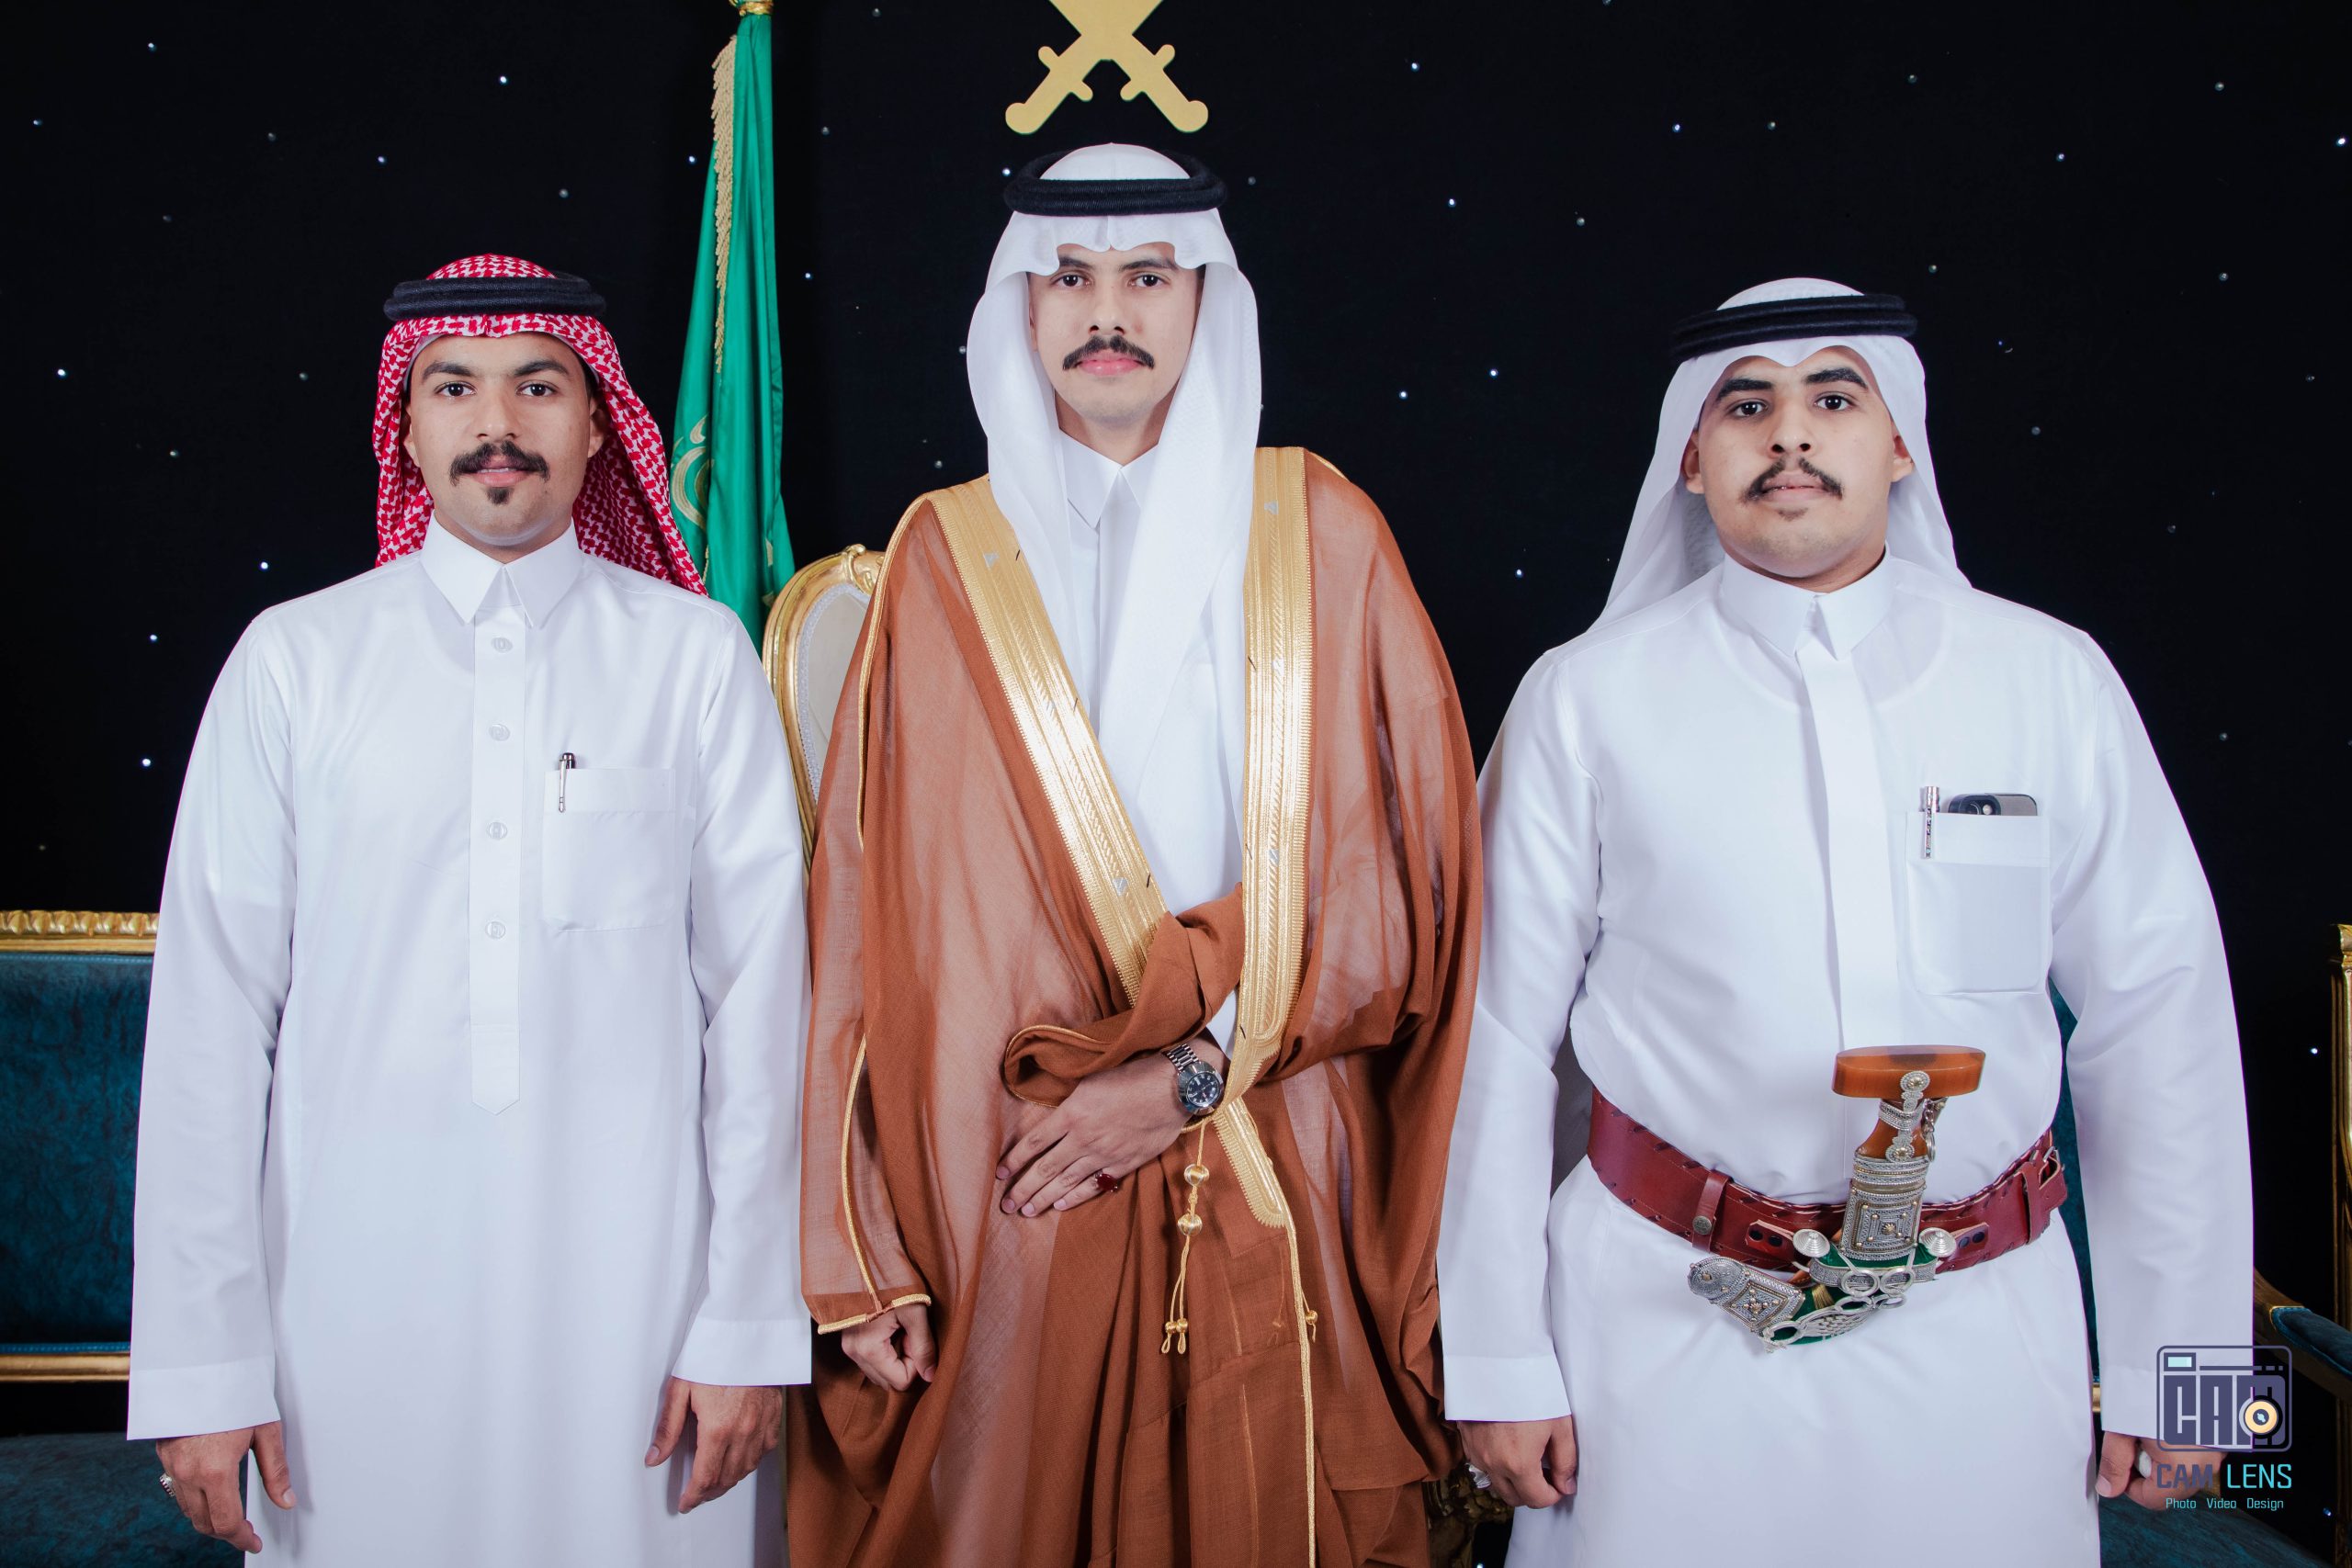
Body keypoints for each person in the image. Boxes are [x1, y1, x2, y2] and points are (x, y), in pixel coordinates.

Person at [1439, 278, 2252, 1565]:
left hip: (1988, 1349)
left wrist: (2190, 1384)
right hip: (1658, 1338)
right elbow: (1490, 1039)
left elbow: (2165, 1028)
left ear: (1901, 442)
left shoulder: (2050, 679)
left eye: (1834, 396)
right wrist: (1493, 1358)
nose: (1790, 435)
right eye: (1745, 405)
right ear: (1690, 460)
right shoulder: (1583, 701)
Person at [789, 146, 1479, 1567]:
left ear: (1205, 299)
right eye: (1072, 278)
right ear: (1022, 306)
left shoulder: (1323, 530)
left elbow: (1398, 886)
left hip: (1281, 1131)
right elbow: (865, 919)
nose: (1109, 311)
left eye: (1149, 276)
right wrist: (860, 1247)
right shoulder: (941, 553)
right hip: (1006, 1175)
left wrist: (1184, 1077)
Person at [129, 254, 810, 1566]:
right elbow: (210, 1033)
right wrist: (203, 1365)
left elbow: (763, 1017)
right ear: (406, 426)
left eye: (538, 386)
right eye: (455, 387)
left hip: (643, 1325)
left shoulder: (694, 660)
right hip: (346, 1325)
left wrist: (745, 1327)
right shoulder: (295, 663)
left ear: (600, 423)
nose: (497, 423)